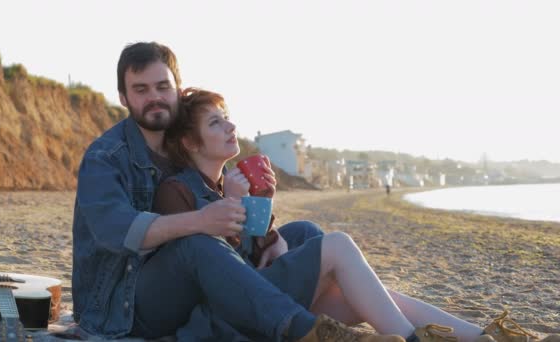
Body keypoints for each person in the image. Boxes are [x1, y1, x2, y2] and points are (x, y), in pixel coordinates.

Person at [155, 86, 560, 342]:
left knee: (352, 281)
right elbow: (214, 274)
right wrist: (234, 209)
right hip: (235, 317)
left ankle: (478, 336)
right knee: (336, 245)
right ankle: (414, 339)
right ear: (190, 142)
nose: (230, 126)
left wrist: (261, 212)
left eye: (227, 117)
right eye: (216, 122)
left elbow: (260, 251)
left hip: (263, 295)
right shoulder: (177, 192)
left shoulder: (230, 182)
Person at [71, 41, 402, 341]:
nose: (154, 97)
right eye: (140, 89)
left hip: (191, 289)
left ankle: (405, 329)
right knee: (196, 243)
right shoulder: (106, 157)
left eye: (162, 86)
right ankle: (306, 330)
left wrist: (265, 230)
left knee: (303, 233)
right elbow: (117, 231)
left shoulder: (184, 150)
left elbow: (227, 226)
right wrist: (200, 220)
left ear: (177, 89)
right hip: (121, 308)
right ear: (123, 97)